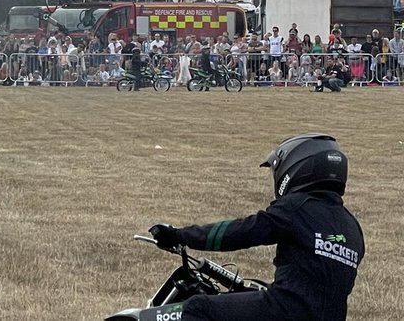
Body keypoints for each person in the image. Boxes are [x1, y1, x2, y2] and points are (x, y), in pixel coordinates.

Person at [148, 134, 363, 321]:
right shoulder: (352, 226)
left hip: (285, 310)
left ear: (297, 167)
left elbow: (242, 232)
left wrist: (180, 235)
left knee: (198, 308)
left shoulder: (297, 207)